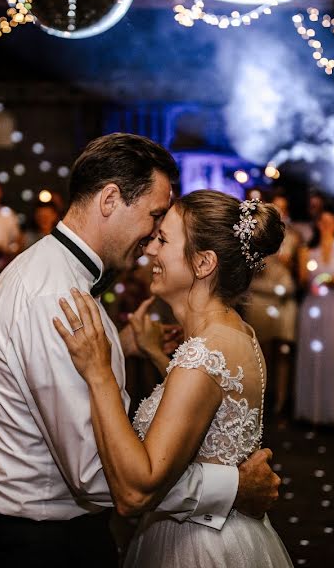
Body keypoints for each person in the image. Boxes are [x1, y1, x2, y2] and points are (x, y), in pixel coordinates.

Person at [0, 133, 280, 568]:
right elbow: (96, 476)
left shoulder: (59, 277)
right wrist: (232, 488)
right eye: (153, 216)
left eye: (163, 233)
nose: (150, 239)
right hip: (39, 545)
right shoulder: (55, 300)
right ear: (110, 200)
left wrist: (123, 346)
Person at [54, 192, 292, 567]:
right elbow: (204, 412)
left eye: (163, 239)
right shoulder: (233, 332)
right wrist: (156, 355)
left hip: (197, 547)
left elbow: (136, 491)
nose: (150, 249)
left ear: (203, 262)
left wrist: (99, 372)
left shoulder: (204, 355)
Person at [294, 205, 334, 427]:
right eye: (322, 222)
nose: (326, 226)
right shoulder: (306, 250)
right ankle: (310, 411)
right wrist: (309, 280)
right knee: (313, 354)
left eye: (330, 222)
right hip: (314, 305)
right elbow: (302, 279)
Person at [243, 192, 299, 424]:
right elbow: (249, 266)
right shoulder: (256, 234)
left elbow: (302, 271)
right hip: (261, 296)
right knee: (261, 352)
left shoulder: (295, 237)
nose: (281, 211)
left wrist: (292, 264)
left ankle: (281, 402)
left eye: (284, 207)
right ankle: (261, 404)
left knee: (284, 351)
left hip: (284, 297)